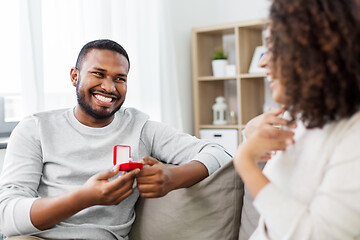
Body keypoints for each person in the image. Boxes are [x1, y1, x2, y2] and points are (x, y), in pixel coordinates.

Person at [0, 39, 232, 240]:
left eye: (119, 78)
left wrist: (174, 177)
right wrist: (83, 198)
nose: (109, 87)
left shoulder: (141, 128)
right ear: (74, 76)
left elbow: (220, 153)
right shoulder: (36, 128)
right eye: (98, 74)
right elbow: (7, 216)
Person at [234, 0, 360, 239]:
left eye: (273, 48)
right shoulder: (303, 116)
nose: (262, 62)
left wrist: (245, 163)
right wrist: (250, 131)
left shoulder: (354, 136)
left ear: (311, 52)